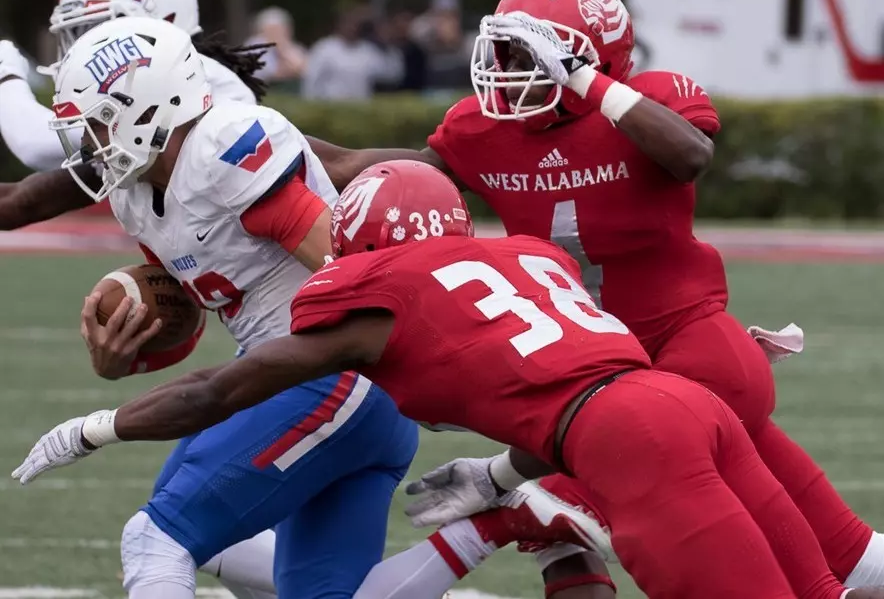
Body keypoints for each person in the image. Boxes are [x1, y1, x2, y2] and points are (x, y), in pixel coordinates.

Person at [14, 158, 877, 599]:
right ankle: (522, 511)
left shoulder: (378, 288)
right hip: (678, 404)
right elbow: (559, 384)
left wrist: (96, 427)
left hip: (632, 440)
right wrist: (498, 477)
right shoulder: (526, 253)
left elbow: (220, 391)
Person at [304, 0, 884, 593]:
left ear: (588, 52)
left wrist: (586, 81)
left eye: (529, 52)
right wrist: (234, 124)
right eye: (506, 51)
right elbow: (353, 168)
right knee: (852, 561)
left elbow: (691, 155)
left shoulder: (648, 102)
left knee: (554, 501)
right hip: (597, 369)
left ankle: (526, 504)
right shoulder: (485, 131)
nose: (508, 68)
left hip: (687, 354)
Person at [22, 15, 419, 599]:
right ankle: (460, 552)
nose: (91, 144)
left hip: (331, 374)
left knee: (156, 539)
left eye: (100, 124)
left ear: (146, 109)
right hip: (308, 377)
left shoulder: (224, 146)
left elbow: (349, 279)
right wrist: (125, 354)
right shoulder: (138, 192)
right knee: (303, 585)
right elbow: (193, 312)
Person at [0, 0, 266, 173]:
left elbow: (34, 144)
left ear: (163, 19)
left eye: (98, 28)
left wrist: (6, 73)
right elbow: (28, 201)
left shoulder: (191, 81)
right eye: (79, 32)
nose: (85, 47)